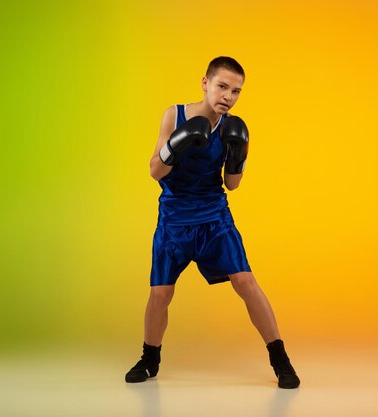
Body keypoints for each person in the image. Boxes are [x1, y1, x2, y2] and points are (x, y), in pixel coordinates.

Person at [125, 56, 300, 389]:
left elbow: (231, 185)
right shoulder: (173, 115)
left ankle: (281, 360)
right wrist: (176, 144)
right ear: (205, 83)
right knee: (160, 293)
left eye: (236, 91)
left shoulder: (232, 127)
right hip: (174, 219)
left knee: (246, 282)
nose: (228, 96)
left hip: (214, 218)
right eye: (222, 86)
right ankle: (150, 360)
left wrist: (239, 154)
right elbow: (154, 171)